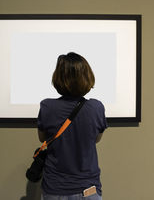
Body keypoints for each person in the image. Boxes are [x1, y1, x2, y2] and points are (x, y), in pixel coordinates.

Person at [37, 52, 107, 200]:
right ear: (87, 76)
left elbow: (42, 138)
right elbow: (96, 139)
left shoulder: (47, 106)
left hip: (54, 189)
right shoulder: (96, 107)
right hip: (88, 189)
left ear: (57, 78)